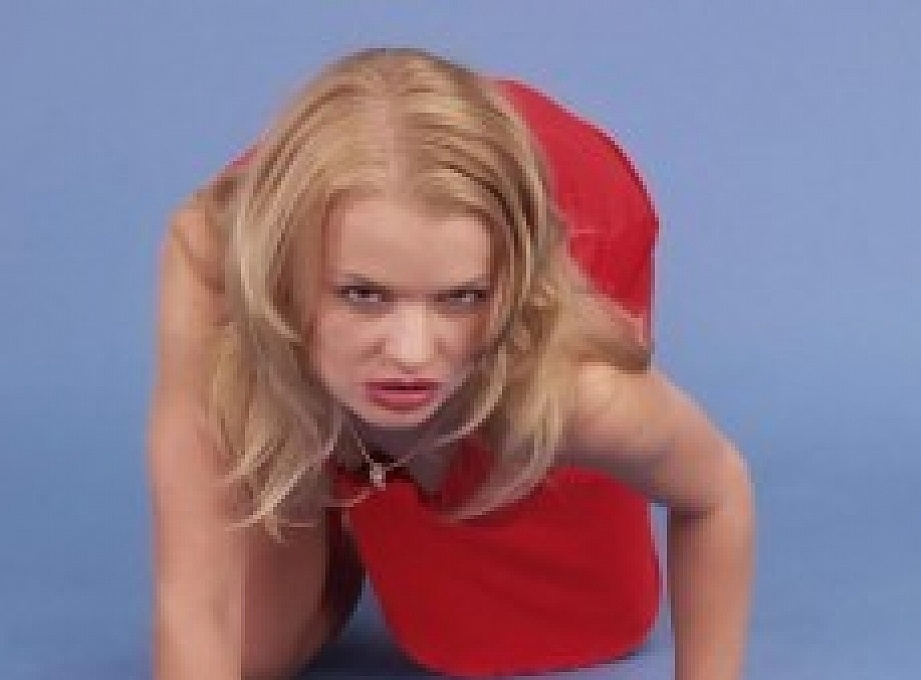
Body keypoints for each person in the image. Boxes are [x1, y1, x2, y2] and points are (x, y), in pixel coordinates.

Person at [148, 47, 754, 680]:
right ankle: (338, 458)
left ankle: (378, 429)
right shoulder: (215, 258)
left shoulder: (575, 386)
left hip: (581, 213)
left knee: (556, 626)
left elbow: (719, 489)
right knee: (250, 651)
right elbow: (193, 597)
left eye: (461, 298)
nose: (412, 354)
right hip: (300, 243)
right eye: (363, 294)